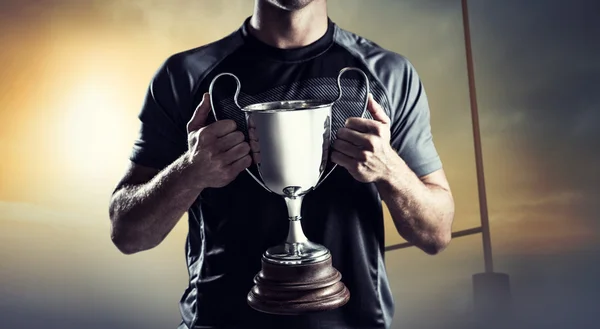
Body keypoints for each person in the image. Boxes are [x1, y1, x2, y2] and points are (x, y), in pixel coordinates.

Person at [108, 0, 455, 328]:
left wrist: (389, 169)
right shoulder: (186, 76)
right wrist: (190, 171)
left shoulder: (388, 75)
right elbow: (128, 234)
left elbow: (436, 234)